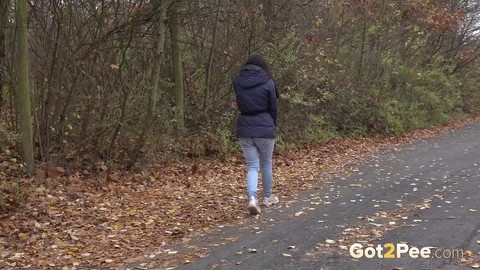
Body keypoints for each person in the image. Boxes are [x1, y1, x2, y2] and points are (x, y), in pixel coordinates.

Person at [232, 53, 279, 215]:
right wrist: (272, 124)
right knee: (266, 163)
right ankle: (267, 197)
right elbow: (273, 108)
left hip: (244, 127)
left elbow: (240, 102)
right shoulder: (269, 82)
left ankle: (252, 198)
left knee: (252, 165)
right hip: (265, 126)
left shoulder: (237, 82)